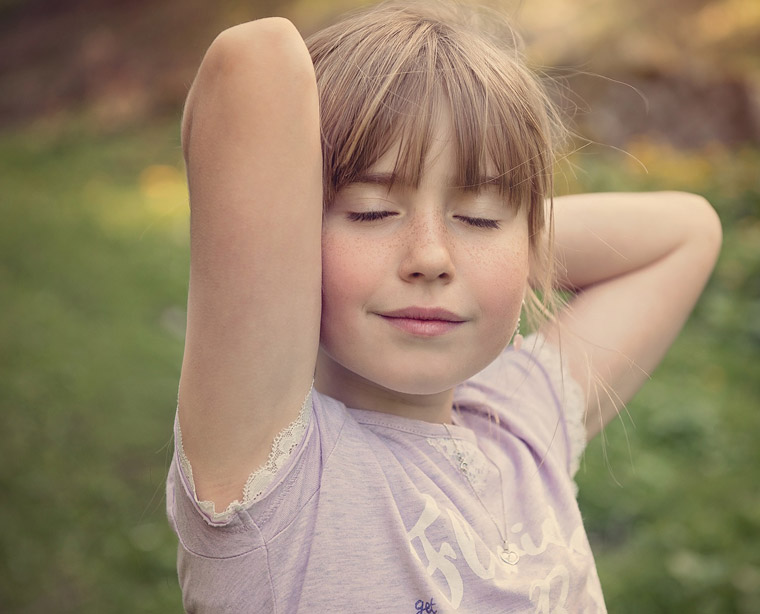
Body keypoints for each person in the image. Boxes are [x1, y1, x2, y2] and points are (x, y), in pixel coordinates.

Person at [165, 2, 722, 611]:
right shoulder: (272, 474)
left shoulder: (521, 424)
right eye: (371, 211)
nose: (431, 256)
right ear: (292, 241)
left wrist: (514, 245)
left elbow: (690, 231)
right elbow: (257, 60)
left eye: (479, 216)